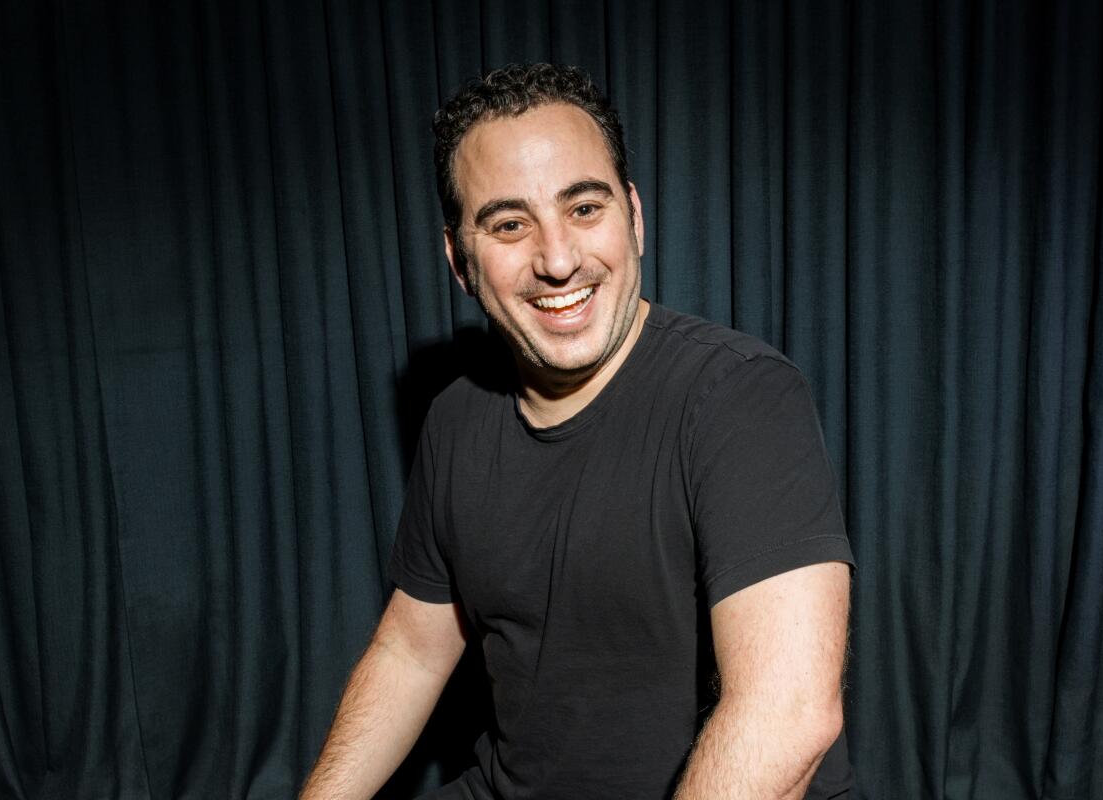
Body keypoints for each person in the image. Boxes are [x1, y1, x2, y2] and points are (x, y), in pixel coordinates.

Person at [301, 63, 854, 800]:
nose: (558, 260)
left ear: (635, 216)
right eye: (508, 225)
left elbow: (786, 718)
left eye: (584, 209)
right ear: (459, 261)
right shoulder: (456, 417)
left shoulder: (738, 395)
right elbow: (410, 651)